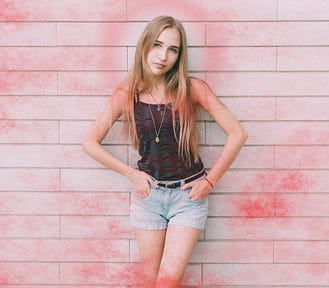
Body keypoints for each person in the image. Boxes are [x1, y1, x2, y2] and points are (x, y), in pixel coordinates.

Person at [82, 15, 247, 287]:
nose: (163, 56)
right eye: (157, 45)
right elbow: (89, 143)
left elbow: (237, 133)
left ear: (179, 55)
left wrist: (210, 182)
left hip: (187, 199)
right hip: (148, 199)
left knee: (167, 282)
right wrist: (132, 174)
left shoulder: (192, 88)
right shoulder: (127, 93)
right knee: (150, 283)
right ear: (145, 45)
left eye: (173, 49)